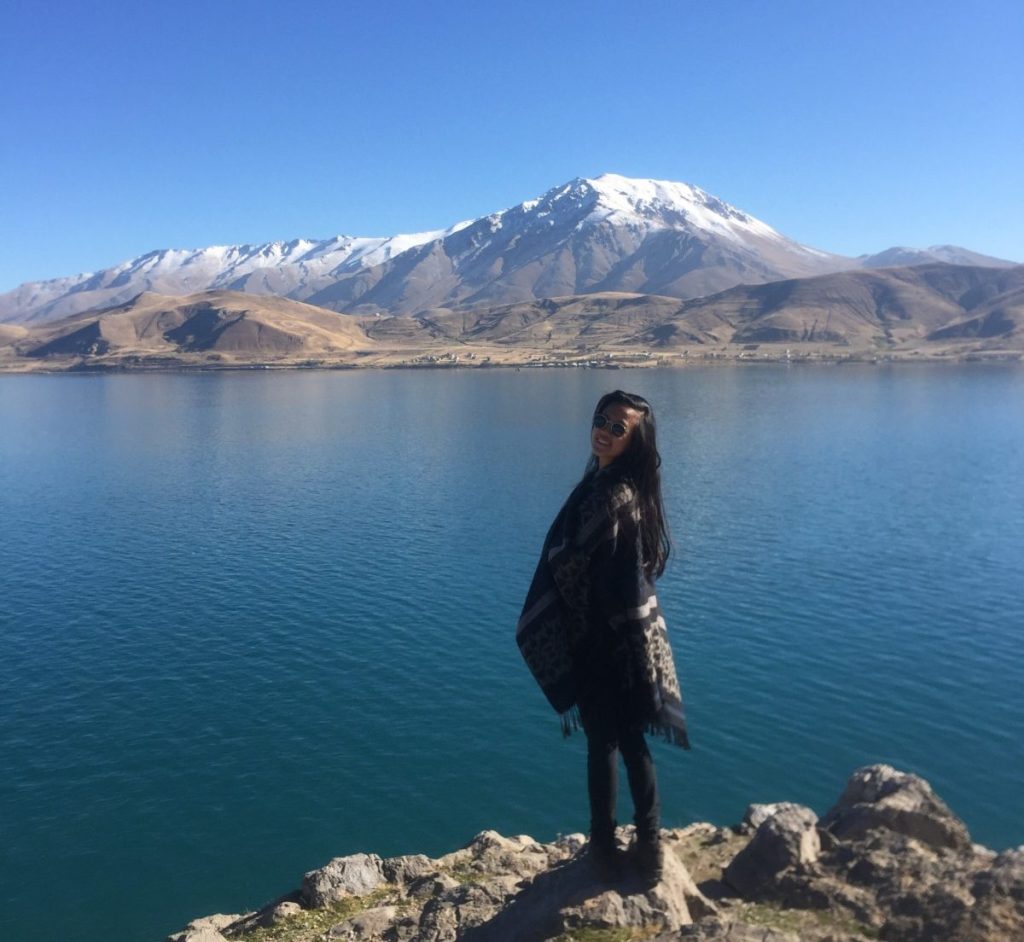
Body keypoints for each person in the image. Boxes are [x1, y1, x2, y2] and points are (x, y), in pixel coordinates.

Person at [517, 390, 690, 884]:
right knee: (628, 742)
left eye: (619, 428)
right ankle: (646, 844)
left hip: (602, 640)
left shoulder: (609, 495)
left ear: (635, 441)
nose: (605, 431)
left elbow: (577, 565)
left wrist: (561, 569)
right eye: (602, 420)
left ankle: (607, 845)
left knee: (607, 745)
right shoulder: (621, 487)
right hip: (627, 637)